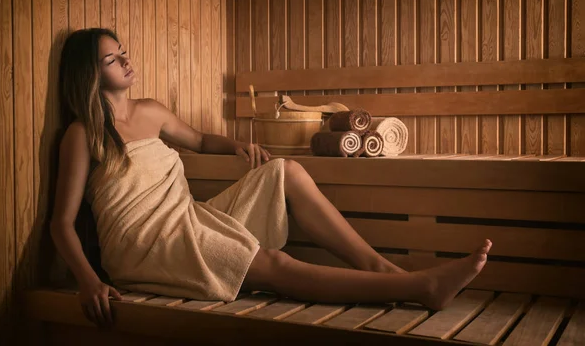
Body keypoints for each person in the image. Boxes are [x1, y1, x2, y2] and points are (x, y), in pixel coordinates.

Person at [50, 27, 492, 329]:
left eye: (123, 51)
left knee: (287, 172)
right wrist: (90, 281)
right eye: (113, 59)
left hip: (189, 220)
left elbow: (201, 140)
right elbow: (62, 223)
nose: (126, 61)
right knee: (273, 265)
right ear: (90, 74)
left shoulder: (150, 111)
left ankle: (381, 268)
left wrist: (236, 146)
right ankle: (422, 286)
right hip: (148, 246)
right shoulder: (82, 135)